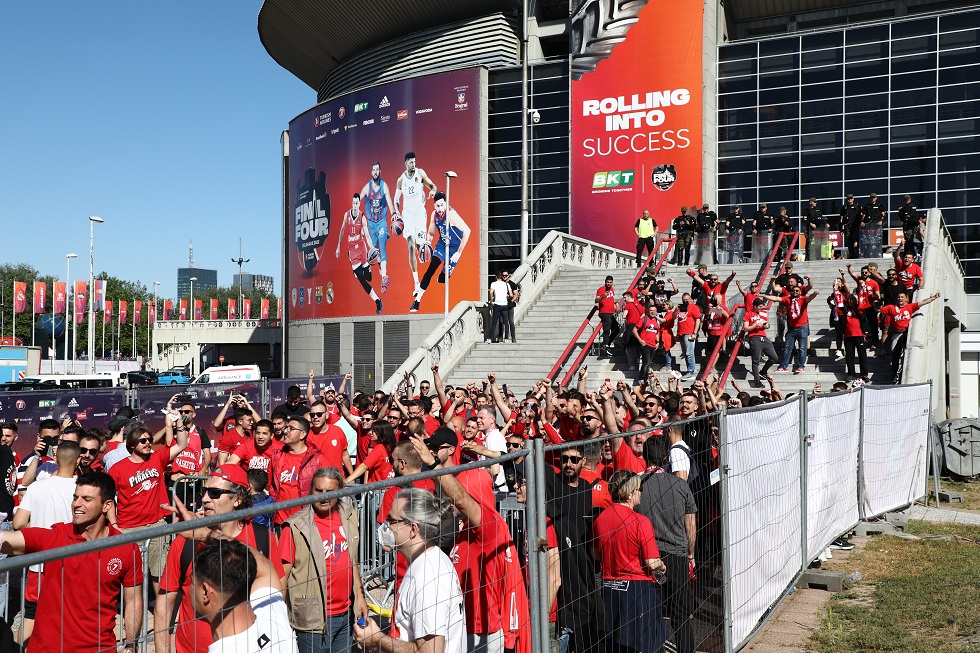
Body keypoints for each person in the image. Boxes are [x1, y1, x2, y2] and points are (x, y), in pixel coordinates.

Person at [0, 472, 144, 653]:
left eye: (87, 499)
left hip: (99, 648)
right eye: (75, 498)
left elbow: (133, 600)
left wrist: (130, 645)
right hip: (48, 648)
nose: (77, 504)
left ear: (107, 505)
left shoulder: (125, 547)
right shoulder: (57, 536)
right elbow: (9, 541)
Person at [156, 464, 284, 653]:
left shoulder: (262, 538)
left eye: (214, 493)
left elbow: (278, 592)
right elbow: (165, 603)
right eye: (205, 492)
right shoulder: (186, 540)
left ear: (237, 499)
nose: (205, 499)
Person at [353, 487, 466, 653]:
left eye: (391, 521)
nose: (385, 526)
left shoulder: (428, 578)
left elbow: (431, 651)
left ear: (413, 529)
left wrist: (378, 639)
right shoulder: (426, 560)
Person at [281, 467, 366, 653]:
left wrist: (360, 596)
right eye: (318, 490)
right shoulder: (295, 527)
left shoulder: (348, 515)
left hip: (346, 614)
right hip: (313, 621)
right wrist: (279, 620)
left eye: (330, 491)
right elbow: (282, 577)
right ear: (310, 490)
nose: (323, 496)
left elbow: (352, 559)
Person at [109, 419, 188, 595]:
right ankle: (138, 612)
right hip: (129, 529)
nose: (148, 443)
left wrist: (179, 423)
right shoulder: (117, 469)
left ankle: (161, 611)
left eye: (149, 440)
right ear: (132, 444)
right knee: (133, 581)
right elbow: (107, 499)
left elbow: (182, 444)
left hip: (156, 525)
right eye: (143, 440)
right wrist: (114, 525)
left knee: (160, 576)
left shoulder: (157, 458)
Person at [593, 470, 669, 653]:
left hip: (609, 588)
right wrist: (662, 564)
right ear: (629, 493)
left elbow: (595, 554)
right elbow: (651, 562)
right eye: (639, 489)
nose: (641, 493)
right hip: (637, 590)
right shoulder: (640, 521)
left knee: (616, 645)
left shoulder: (600, 519)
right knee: (645, 645)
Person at [12, 440, 79, 644]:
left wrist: (38, 530)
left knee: (31, 615)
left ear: (56, 459)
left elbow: (18, 523)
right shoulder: (82, 489)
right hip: (72, 564)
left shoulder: (36, 487)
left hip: (39, 565)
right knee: (71, 615)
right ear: (77, 461)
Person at [638, 436, 698, 653]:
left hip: (648, 556)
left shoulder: (636, 485)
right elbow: (690, 524)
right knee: (680, 614)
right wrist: (690, 554)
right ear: (666, 458)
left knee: (650, 611)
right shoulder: (680, 485)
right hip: (677, 555)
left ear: (644, 456)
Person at [189, 537, 295, 653]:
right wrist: (205, 533)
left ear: (206, 592)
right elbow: (265, 570)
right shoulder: (273, 618)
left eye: (192, 582)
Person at [411, 191, 472, 313]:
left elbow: (467, 231)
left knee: (443, 279)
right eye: (438, 206)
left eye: (442, 205)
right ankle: (417, 300)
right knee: (430, 269)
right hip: (442, 244)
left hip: (454, 248)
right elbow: (431, 233)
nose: (440, 208)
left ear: (446, 204)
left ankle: (442, 275)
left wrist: (459, 252)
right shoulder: (434, 215)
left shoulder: (451, 215)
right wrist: (427, 242)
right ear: (434, 205)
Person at [394, 151, 438, 299]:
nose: (413, 164)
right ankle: (416, 283)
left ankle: (421, 250)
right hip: (407, 215)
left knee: (420, 248)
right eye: (411, 162)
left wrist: (432, 191)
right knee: (411, 245)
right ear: (405, 163)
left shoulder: (420, 173)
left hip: (420, 215)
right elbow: (396, 200)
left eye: (414, 162)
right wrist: (397, 214)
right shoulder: (401, 180)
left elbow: (432, 185)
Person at [268, 417, 327, 526]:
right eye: (286, 427)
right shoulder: (277, 456)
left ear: (302, 434)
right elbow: (270, 486)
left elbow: (329, 489)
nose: (286, 431)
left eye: (291, 428)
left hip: (305, 521)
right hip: (280, 521)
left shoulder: (317, 459)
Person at [335, 192, 384, 314]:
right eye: (353, 203)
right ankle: (378, 301)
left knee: (369, 278)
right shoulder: (347, 215)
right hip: (352, 251)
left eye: (356, 203)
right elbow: (342, 230)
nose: (354, 205)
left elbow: (367, 235)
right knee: (362, 280)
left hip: (362, 249)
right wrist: (338, 246)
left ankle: (366, 267)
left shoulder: (362, 217)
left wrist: (372, 248)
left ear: (359, 204)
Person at [880, 292, 941, 383]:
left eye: (902, 297)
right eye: (898, 297)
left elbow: (923, 302)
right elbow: (880, 310)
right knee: (894, 353)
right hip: (896, 333)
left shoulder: (910, 307)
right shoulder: (891, 308)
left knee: (905, 350)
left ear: (906, 299)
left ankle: (901, 370)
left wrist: (934, 297)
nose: (900, 298)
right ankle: (894, 374)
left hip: (906, 333)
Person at [762, 285, 819, 373]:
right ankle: (784, 366)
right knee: (787, 347)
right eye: (793, 291)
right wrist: (763, 295)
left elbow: (809, 298)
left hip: (802, 327)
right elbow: (776, 298)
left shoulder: (803, 299)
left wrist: (814, 294)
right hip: (792, 327)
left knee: (802, 348)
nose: (795, 292)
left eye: (797, 291)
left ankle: (801, 366)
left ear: (800, 292)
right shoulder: (788, 299)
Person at [361, 161, 398, 293]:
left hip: (381, 222)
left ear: (380, 171)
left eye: (377, 169)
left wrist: (394, 213)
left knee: (382, 245)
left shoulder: (384, 186)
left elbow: (389, 202)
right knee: (374, 252)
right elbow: (357, 201)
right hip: (371, 224)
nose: (375, 172)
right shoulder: (367, 187)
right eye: (374, 170)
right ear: (371, 172)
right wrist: (359, 221)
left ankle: (384, 277)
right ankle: (379, 271)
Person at [743, 297, 779, 388]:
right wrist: (755, 325)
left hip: (764, 337)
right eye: (760, 306)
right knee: (756, 360)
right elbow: (746, 328)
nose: (761, 308)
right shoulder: (748, 314)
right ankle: (757, 381)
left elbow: (767, 325)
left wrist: (766, 325)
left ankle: (763, 371)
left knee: (774, 357)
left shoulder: (762, 313)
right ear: (755, 306)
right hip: (754, 337)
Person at [675, 293, 701, 381]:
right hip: (681, 333)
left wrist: (695, 333)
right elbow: (674, 317)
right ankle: (689, 370)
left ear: (690, 299)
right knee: (685, 353)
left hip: (689, 332)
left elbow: (698, 320)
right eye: (684, 300)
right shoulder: (680, 308)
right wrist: (676, 310)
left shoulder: (694, 307)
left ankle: (691, 371)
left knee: (689, 353)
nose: (685, 301)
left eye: (687, 299)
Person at [486, 271, 514, 343]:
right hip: (504, 305)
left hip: (497, 304)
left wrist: (491, 301)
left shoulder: (494, 284)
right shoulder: (506, 284)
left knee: (494, 322)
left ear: (496, 277)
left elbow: (491, 292)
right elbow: (511, 295)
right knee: (506, 322)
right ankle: (506, 338)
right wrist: (507, 296)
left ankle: (490, 338)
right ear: (501, 277)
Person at [596, 275, 620, 357]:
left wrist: (616, 303)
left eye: (610, 282)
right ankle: (604, 345)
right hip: (604, 312)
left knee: (616, 329)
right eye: (608, 282)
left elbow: (612, 298)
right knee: (607, 329)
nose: (609, 284)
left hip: (610, 312)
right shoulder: (601, 289)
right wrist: (603, 296)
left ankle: (607, 344)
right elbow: (596, 300)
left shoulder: (612, 289)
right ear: (605, 282)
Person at [841, 194, 862, 259]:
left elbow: (861, 215)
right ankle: (851, 255)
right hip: (848, 226)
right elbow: (841, 218)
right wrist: (841, 229)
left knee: (856, 241)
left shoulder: (857, 206)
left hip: (856, 226)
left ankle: (857, 255)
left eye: (851, 198)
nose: (849, 199)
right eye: (848, 198)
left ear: (853, 199)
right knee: (849, 241)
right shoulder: (844, 207)